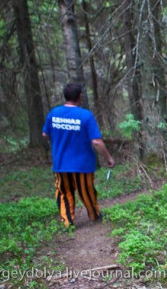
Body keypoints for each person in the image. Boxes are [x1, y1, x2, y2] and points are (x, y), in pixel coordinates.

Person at [42, 83, 115, 229]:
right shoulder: (85, 116)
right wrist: (108, 158)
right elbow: (96, 142)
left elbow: (45, 134)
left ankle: (68, 223)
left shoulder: (54, 113)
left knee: (63, 193)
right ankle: (95, 216)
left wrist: (59, 141)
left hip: (61, 163)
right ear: (80, 96)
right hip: (82, 164)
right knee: (86, 191)